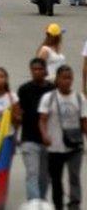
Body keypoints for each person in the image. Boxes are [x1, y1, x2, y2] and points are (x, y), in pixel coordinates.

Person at [39, 64, 87, 210]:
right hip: (55, 147)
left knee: (74, 177)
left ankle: (74, 204)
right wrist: (44, 135)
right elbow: (42, 119)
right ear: (57, 79)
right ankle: (58, 204)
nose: (67, 81)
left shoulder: (79, 98)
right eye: (64, 78)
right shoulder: (49, 98)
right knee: (56, 179)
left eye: (70, 78)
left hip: (75, 146)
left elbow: (84, 122)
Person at [18, 57, 54, 201]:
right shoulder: (24, 89)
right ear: (31, 71)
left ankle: (41, 201)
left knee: (45, 176)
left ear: (45, 71)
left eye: (40, 69)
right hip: (29, 138)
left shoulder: (52, 90)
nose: (37, 72)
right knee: (32, 173)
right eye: (34, 69)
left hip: (48, 139)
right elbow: (19, 113)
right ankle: (34, 204)